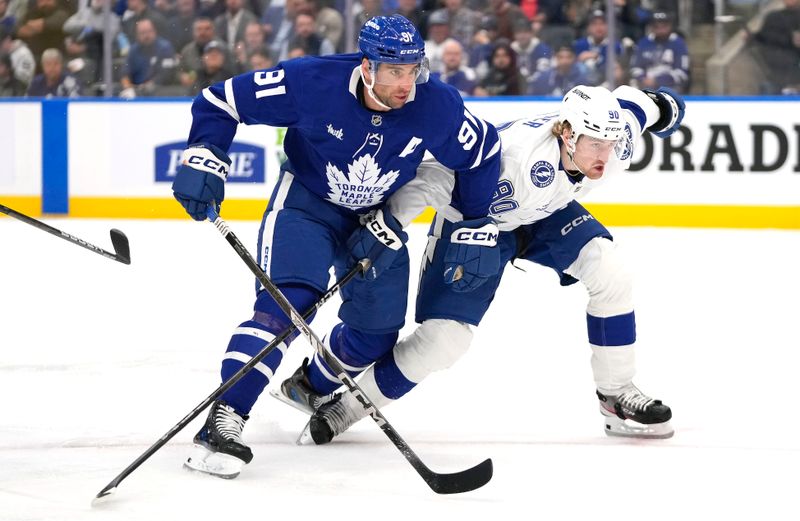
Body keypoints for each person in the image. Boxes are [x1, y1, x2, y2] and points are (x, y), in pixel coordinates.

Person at [171, 14, 501, 478]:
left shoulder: (436, 106)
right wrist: (206, 153)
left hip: (376, 219)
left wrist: (471, 221)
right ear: (367, 66)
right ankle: (225, 420)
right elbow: (220, 100)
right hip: (306, 206)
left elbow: (484, 151)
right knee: (289, 308)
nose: (406, 83)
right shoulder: (310, 81)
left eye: (413, 70)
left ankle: (310, 385)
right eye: (393, 71)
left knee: (377, 333)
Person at [283, 83, 685, 446]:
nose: (606, 154)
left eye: (611, 143)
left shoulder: (618, 144)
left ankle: (616, 396)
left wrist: (664, 106)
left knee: (611, 272)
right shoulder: (513, 156)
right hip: (473, 221)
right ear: (566, 132)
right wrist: (391, 220)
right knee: (444, 342)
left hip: (545, 215)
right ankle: (346, 408)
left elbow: (636, 103)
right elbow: (437, 177)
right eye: (595, 144)